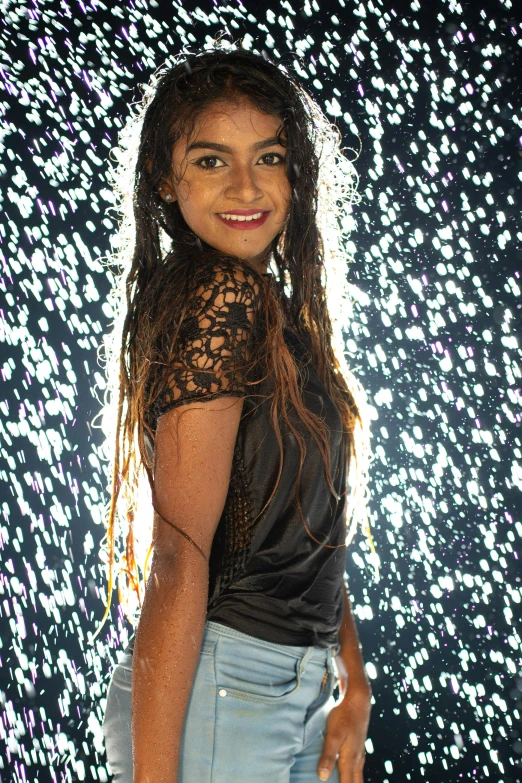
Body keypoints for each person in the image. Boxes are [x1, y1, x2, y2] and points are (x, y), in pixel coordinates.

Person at [99, 44, 374, 783]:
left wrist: (350, 677)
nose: (247, 185)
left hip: (282, 689)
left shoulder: (276, 312)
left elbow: (306, 527)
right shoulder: (222, 298)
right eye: (212, 160)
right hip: (219, 696)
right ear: (165, 177)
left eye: (271, 155)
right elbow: (179, 555)